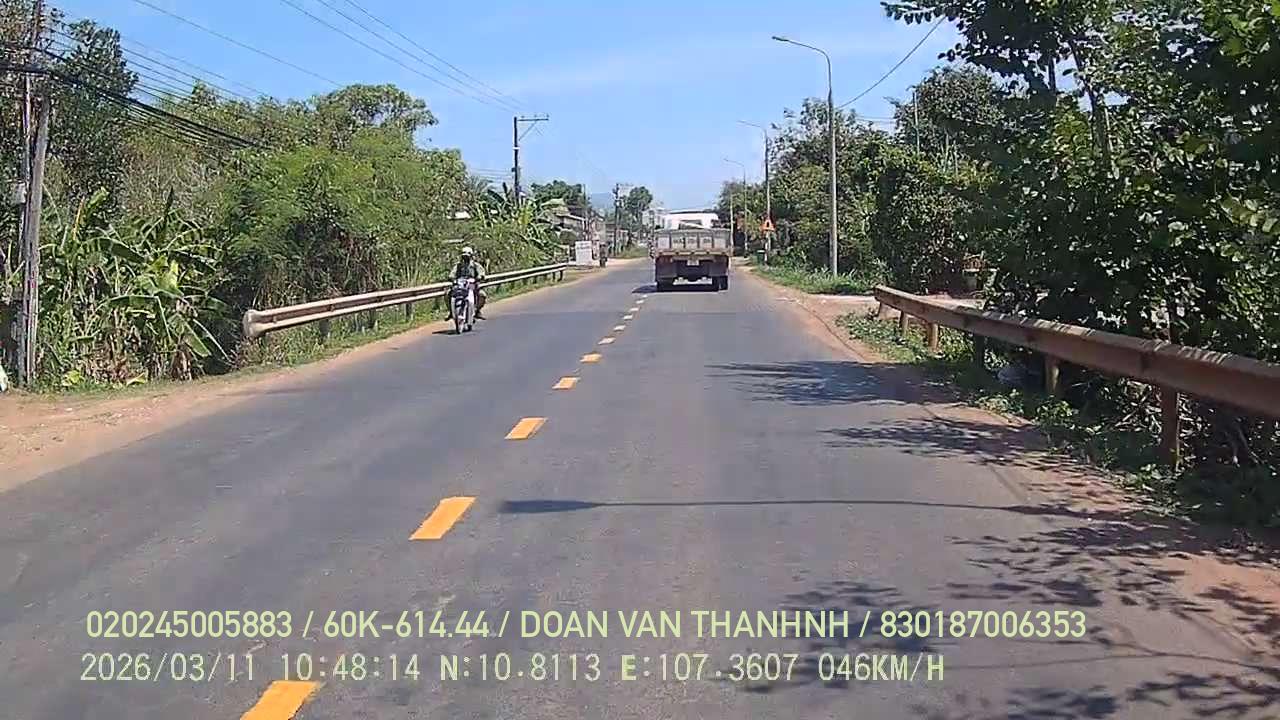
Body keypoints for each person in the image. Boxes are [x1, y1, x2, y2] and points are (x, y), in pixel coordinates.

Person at [450, 246, 486, 319]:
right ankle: (451, 311)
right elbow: (452, 273)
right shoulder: (458, 266)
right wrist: (452, 278)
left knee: (482, 295)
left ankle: (477, 310)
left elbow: (481, 272)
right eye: (464, 256)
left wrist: (479, 277)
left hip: (471, 284)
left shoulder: (475, 265)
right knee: (448, 293)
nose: (465, 258)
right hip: (460, 284)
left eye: (467, 256)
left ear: (471, 256)